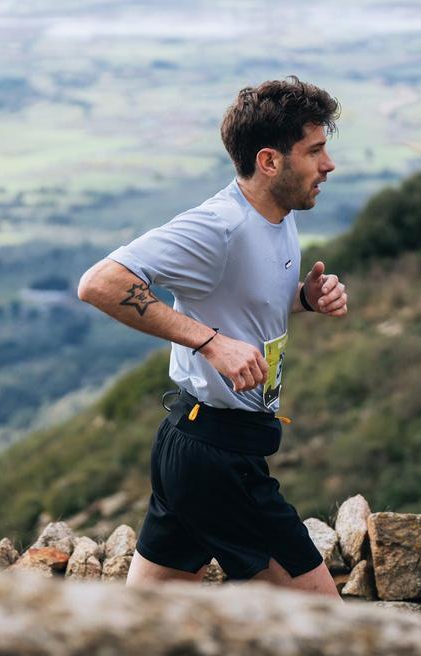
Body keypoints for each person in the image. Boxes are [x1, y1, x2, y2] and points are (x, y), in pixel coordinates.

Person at [77, 76, 348, 597]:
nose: (328, 165)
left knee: (145, 619)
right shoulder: (219, 226)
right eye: (314, 151)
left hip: (201, 445)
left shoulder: (278, 216)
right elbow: (100, 283)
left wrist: (305, 299)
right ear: (269, 161)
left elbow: (248, 299)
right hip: (215, 458)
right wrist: (210, 342)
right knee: (325, 621)